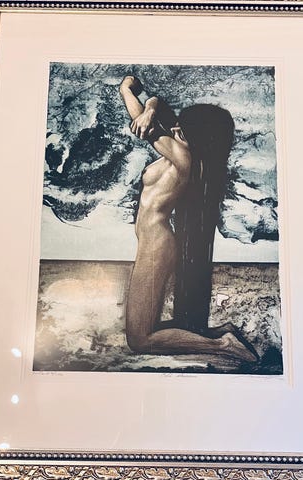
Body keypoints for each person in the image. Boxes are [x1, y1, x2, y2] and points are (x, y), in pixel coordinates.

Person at [119, 75, 257, 361]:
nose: (176, 128)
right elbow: (151, 113)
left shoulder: (183, 155)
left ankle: (224, 345)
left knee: (139, 340)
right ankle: (220, 332)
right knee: (145, 328)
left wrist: (126, 89)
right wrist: (151, 107)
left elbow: (140, 125)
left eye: (183, 129)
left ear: (197, 137)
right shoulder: (182, 151)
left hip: (156, 243)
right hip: (153, 240)